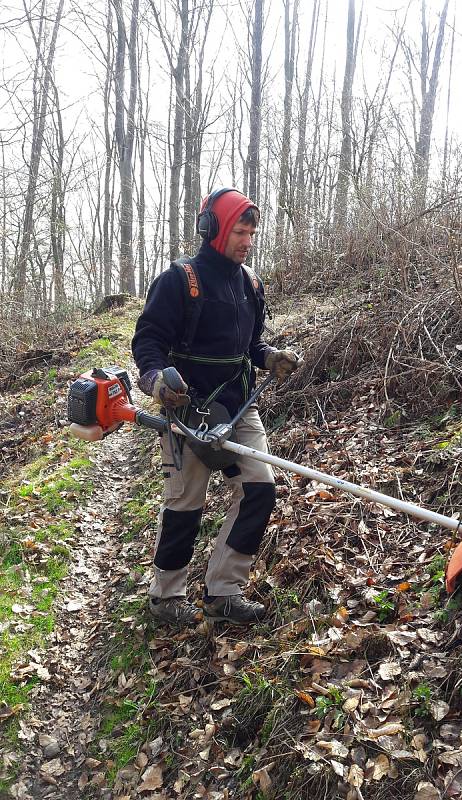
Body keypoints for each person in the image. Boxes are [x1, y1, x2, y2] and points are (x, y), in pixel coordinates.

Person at [132, 188, 300, 626]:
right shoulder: (179, 279)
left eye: (252, 233)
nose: (248, 241)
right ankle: (165, 599)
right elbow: (148, 340)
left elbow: (251, 345)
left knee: (259, 489)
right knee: (186, 502)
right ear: (213, 230)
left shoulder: (251, 283)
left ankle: (224, 591)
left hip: (240, 406)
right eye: (240, 231)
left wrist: (270, 358)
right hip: (187, 410)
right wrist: (156, 380)